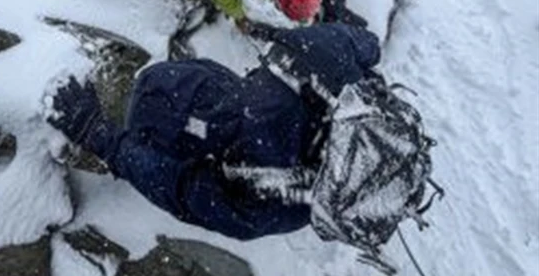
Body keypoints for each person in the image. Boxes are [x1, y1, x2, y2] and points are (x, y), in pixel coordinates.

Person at [47, 23, 382, 240]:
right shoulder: (289, 201)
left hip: (181, 115)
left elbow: (178, 186)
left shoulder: (268, 191)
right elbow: (370, 46)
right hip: (195, 107)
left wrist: (98, 136)